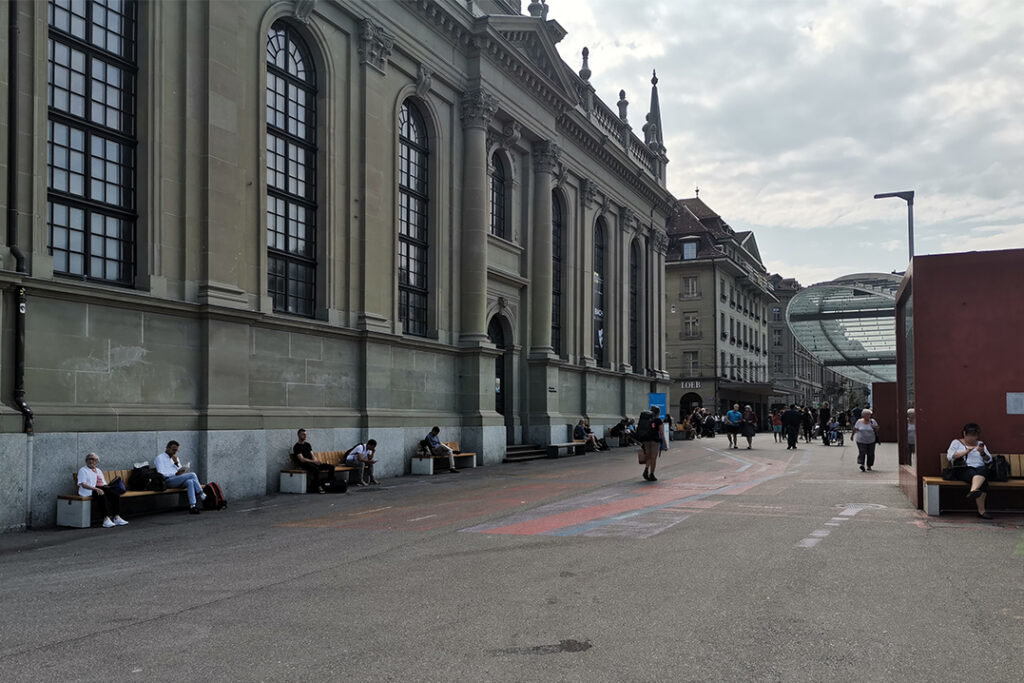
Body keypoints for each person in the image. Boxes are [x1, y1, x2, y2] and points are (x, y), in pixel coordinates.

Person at [947, 422, 994, 519]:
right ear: (964, 433)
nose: (973, 438)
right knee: (982, 480)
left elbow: (989, 459)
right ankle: (982, 511)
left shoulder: (980, 444)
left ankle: (973, 490)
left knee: (983, 470)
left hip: (980, 469)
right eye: (971, 436)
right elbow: (950, 457)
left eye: (975, 436)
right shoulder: (956, 443)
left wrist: (982, 453)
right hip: (963, 468)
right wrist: (966, 451)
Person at [77, 453, 128, 528]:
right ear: (86, 461)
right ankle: (106, 519)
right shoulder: (83, 470)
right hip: (89, 490)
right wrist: (96, 488)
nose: (91, 461)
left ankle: (116, 517)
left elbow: (103, 483)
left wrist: (108, 488)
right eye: (89, 459)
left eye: (93, 459)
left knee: (115, 493)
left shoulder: (98, 470)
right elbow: (83, 484)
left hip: (100, 488)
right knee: (101, 494)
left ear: (97, 461)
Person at [155, 440, 206, 514]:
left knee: (190, 482)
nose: (175, 452)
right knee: (192, 474)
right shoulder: (159, 458)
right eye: (173, 450)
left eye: (176, 450)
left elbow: (180, 470)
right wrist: (175, 473)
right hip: (167, 481)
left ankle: (193, 506)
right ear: (168, 448)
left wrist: (176, 463)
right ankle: (201, 494)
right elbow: (161, 473)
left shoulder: (175, 458)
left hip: (177, 479)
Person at [291, 428, 336, 494]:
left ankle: (328, 484)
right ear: (298, 435)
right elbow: (302, 459)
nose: (305, 436)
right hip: (304, 464)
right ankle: (319, 486)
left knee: (331, 467)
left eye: (305, 434)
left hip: (312, 462)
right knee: (315, 469)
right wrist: (313, 462)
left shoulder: (307, 445)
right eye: (303, 434)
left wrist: (316, 460)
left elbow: (312, 455)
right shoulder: (296, 446)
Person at [639, 406, 666, 482]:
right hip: (654, 440)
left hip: (646, 439)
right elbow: (661, 432)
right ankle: (651, 474)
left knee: (648, 456)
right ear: (658, 412)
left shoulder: (647, 419)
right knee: (653, 457)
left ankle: (646, 469)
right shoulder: (658, 420)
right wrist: (665, 444)